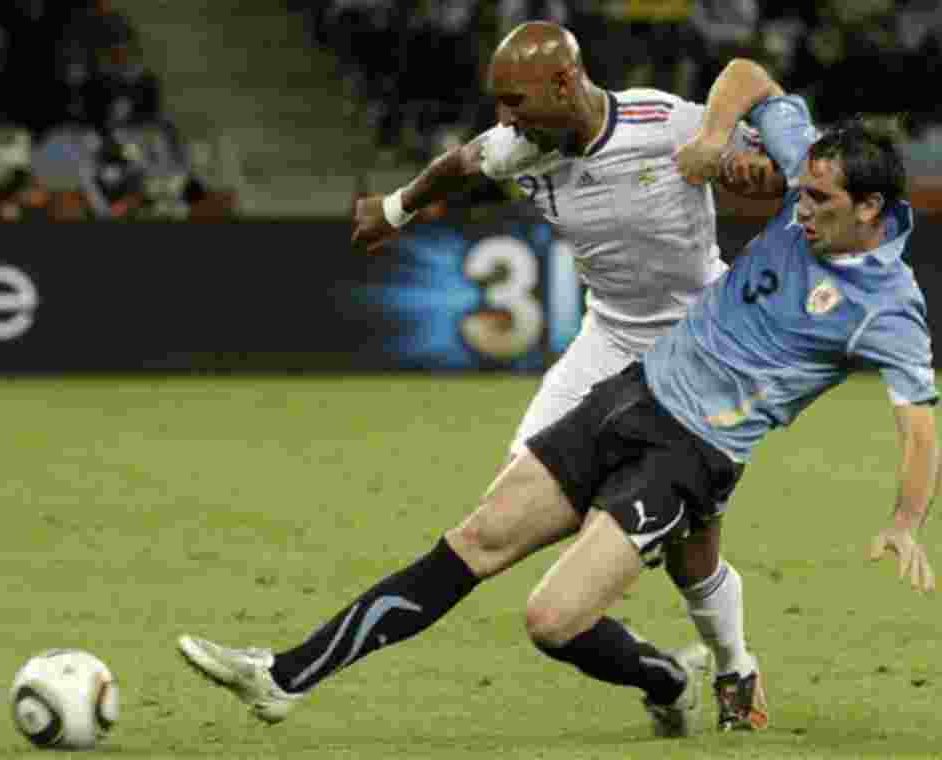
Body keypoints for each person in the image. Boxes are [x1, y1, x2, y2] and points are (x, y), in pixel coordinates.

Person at [178, 26, 800, 736]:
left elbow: (757, 98)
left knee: (692, 554)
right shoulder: (520, 145)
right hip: (607, 345)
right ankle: (289, 675)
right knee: (500, 521)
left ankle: (732, 665)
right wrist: (396, 209)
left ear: (565, 83)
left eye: (515, 101)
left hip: (696, 355)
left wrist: (729, 149)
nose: (505, 118)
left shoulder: (663, 124)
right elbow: (461, 163)